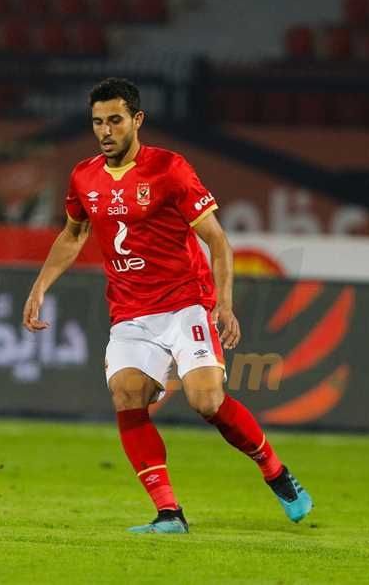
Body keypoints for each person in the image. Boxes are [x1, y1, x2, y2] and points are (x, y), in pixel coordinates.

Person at [22, 78, 312, 534]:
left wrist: (224, 305)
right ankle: (169, 513)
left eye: (115, 120)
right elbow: (73, 234)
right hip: (130, 312)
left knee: (206, 400)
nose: (105, 131)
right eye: (97, 122)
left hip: (185, 304)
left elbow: (217, 240)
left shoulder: (169, 169)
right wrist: (40, 287)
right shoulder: (84, 176)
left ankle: (274, 471)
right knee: (126, 394)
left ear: (137, 120)